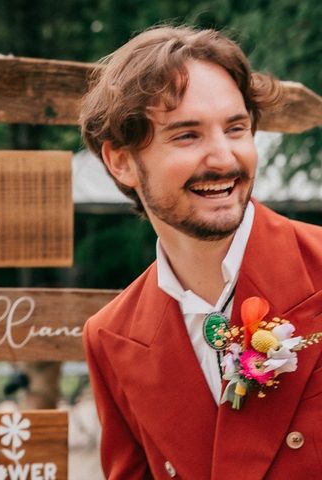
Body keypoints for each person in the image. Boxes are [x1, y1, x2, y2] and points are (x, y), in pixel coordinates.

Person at [80, 26, 322, 479]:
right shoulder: (110, 338)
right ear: (121, 161)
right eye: (187, 136)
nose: (224, 159)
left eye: (236, 128)